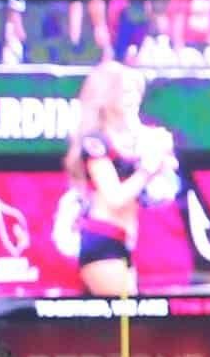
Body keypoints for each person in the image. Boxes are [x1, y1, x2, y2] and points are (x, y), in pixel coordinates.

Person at [65, 61, 176, 297]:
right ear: (107, 96)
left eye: (136, 91)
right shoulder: (95, 142)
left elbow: (165, 184)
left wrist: (162, 158)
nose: (133, 97)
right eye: (126, 92)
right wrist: (148, 169)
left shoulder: (139, 138)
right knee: (125, 324)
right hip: (104, 240)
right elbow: (115, 197)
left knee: (131, 326)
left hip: (130, 241)